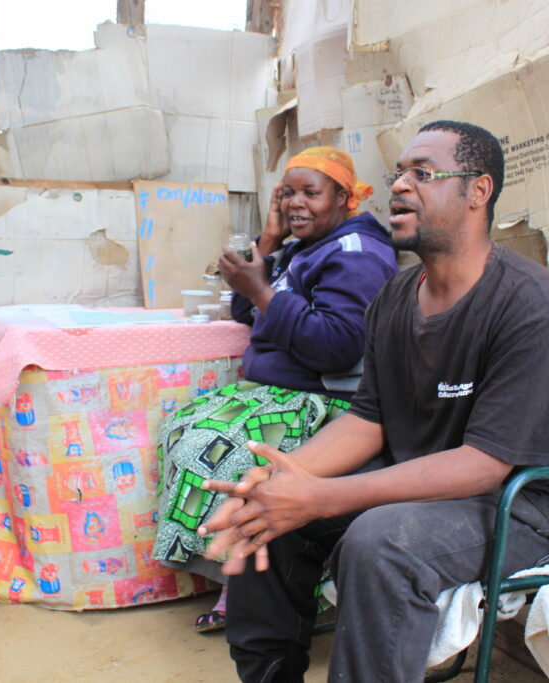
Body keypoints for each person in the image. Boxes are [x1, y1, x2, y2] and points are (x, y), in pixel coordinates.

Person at [199, 120, 549, 682]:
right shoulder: (394, 297)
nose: (400, 187)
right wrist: (283, 483)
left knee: (379, 544)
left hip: (525, 506)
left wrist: (322, 497)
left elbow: (486, 463)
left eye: (424, 174)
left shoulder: (532, 304)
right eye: (399, 174)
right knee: (269, 508)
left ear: (478, 191)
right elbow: (369, 420)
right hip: (420, 483)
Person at [151, 146, 398, 633]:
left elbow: (339, 347)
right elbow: (248, 312)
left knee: (212, 447)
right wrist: (269, 241)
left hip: (325, 400)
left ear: (345, 198)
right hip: (276, 390)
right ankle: (231, 576)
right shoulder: (303, 247)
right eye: (288, 193)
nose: (296, 203)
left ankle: (249, 590)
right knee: (179, 428)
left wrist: (262, 290)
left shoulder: (358, 254)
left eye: (312, 192)